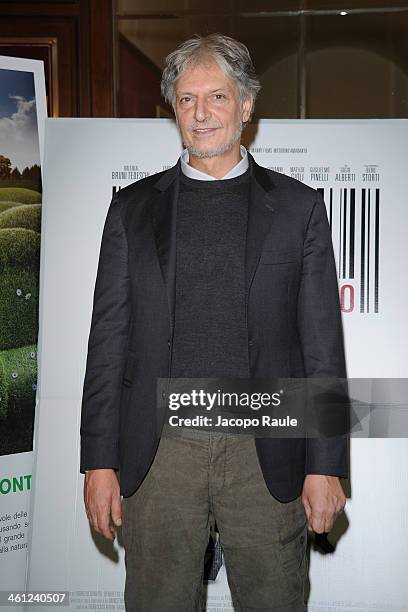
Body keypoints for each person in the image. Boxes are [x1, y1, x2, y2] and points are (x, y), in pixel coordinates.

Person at [80, 34, 348, 612]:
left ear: (246, 107)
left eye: (217, 97)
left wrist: (326, 465)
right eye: (185, 99)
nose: (200, 114)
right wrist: (98, 461)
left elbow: (322, 347)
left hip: (266, 449)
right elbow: (107, 345)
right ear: (173, 109)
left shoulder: (299, 209)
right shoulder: (130, 209)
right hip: (159, 454)